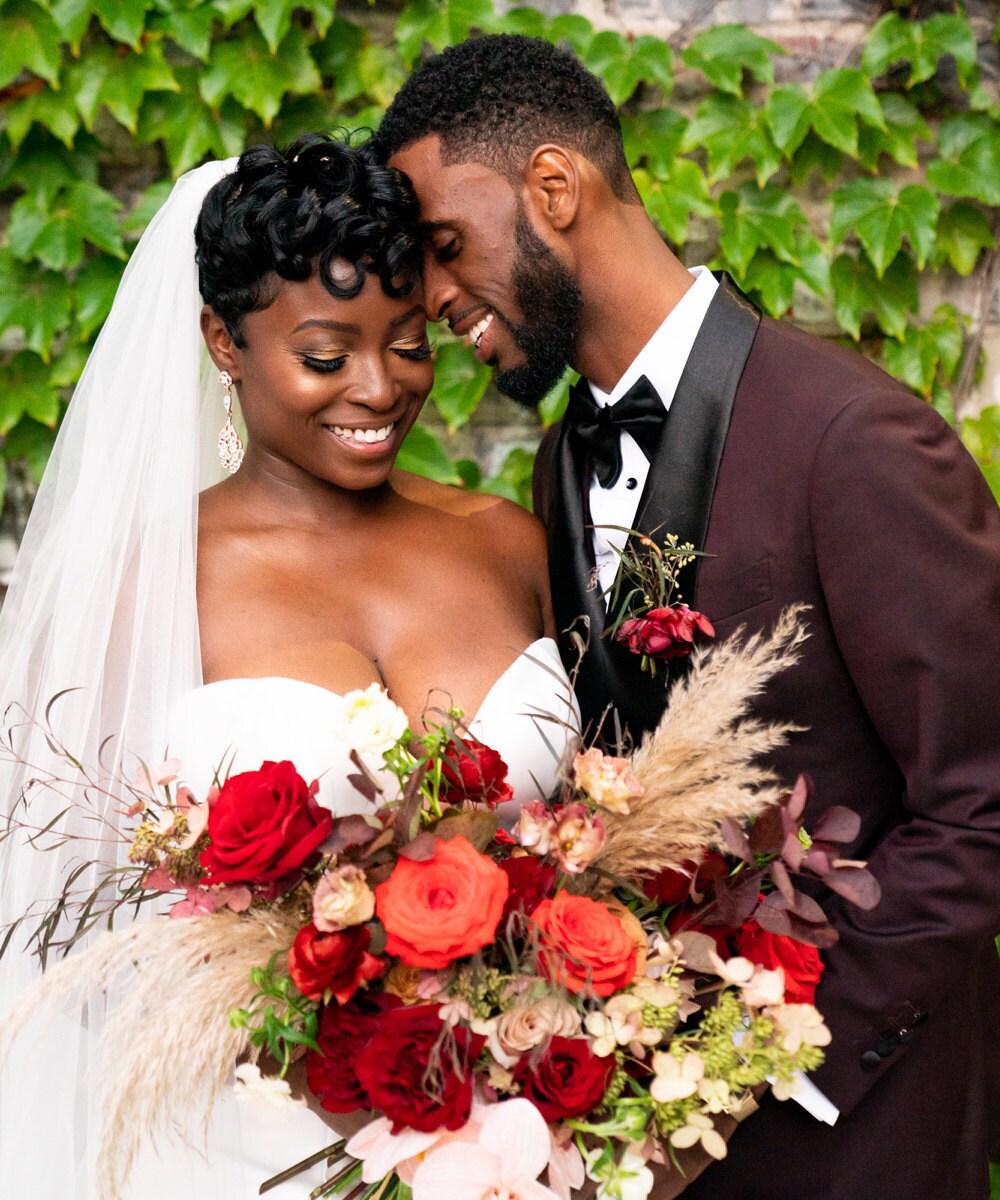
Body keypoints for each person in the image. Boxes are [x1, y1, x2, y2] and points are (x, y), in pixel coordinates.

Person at [374, 34, 1000, 1200]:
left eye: (445, 248)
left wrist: (762, 1064)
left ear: (553, 189)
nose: (435, 297)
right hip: (646, 1134)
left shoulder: (852, 440)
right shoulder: (564, 455)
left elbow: (982, 809)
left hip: (858, 1123)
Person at [0, 134, 578, 1199]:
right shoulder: (142, 581)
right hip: (240, 1152)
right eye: (324, 355)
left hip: (520, 1147)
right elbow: (56, 922)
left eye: (408, 344)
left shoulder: (509, 540)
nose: (377, 389)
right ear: (223, 340)